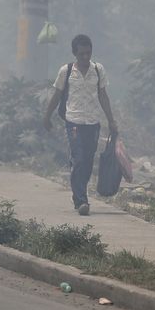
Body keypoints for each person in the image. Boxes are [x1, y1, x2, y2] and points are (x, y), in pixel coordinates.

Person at [43, 34, 117, 216]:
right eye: (82, 54)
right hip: (73, 122)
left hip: (93, 122)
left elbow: (103, 96)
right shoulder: (66, 71)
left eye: (88, 53)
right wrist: (47, 116)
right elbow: (57, 95)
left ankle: (80, 192)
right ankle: (81, 201)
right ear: (75, 53)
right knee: (79, 159)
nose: (85, 57)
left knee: (88, 161)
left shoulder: (98, 70)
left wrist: (111, 120)